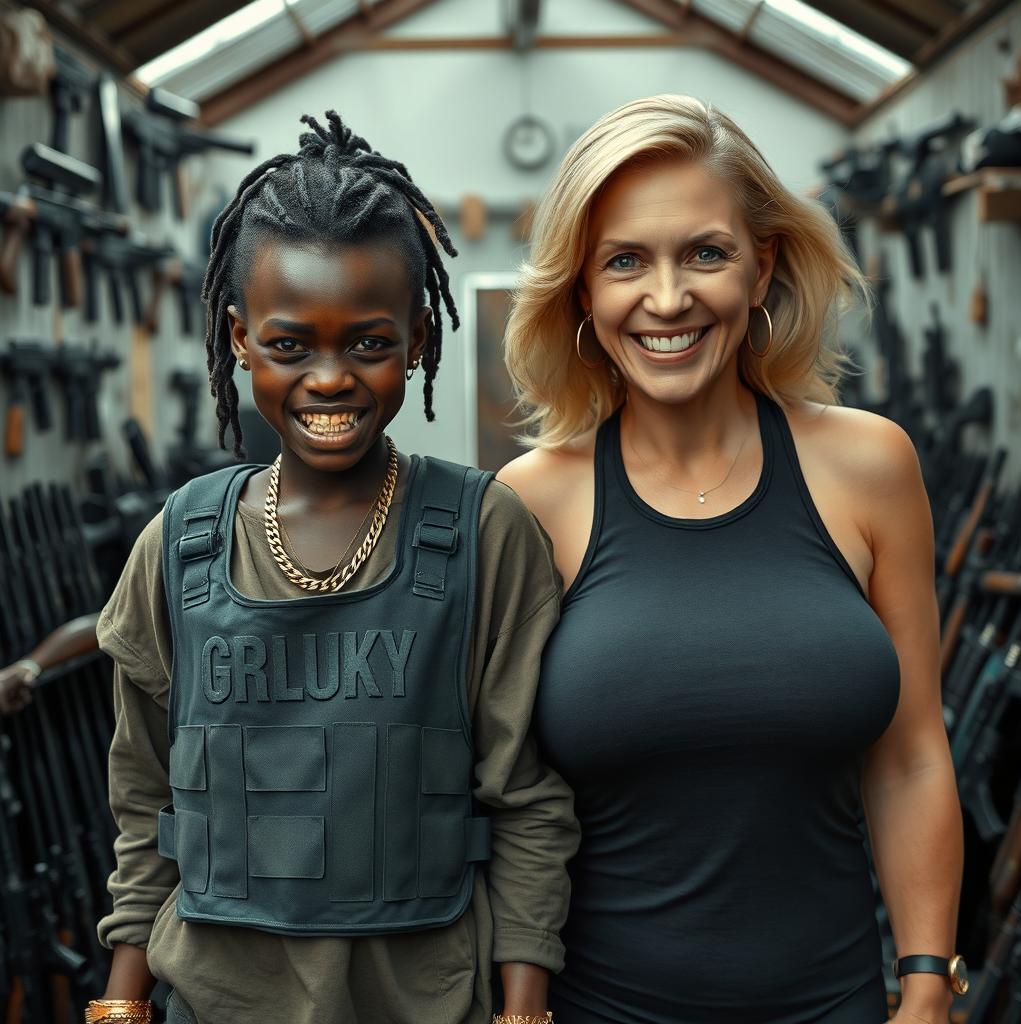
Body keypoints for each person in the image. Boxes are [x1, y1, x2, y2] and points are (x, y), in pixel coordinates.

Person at [90, 111, 578, 1024]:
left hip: (429, 1002)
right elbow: (147, 801)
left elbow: (526, 803)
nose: (329, 378)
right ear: (239, 340)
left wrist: (523, 1009)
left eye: (368, 342)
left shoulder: (483, 531)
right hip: (214, 998)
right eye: (289, 345)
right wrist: (120, 1006)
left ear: (421, 338)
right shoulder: (182, 540)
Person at [499, 95, 964, 1024]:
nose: (667, 299)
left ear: (763, 269)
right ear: (581, 293)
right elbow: (503, 800)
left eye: (705, 253)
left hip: (835, 1004)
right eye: (624, 260)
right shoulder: (527, 501)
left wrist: (925, 987)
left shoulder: (871, 466)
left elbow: (911, 756)